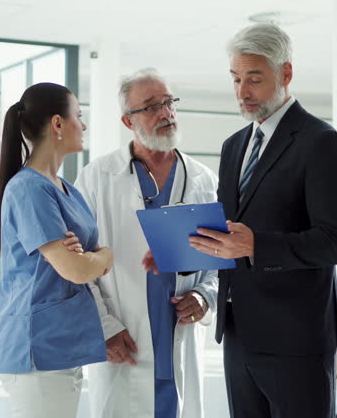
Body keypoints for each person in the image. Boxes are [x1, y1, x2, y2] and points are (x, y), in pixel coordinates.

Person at [188, 24, 337, 417]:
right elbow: (229, 230)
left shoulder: (322, 143)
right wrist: (183, 250)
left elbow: (336, 242)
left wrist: (256, 245)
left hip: (296, 339)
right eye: (235, 79)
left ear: (286, 74)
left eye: (254, 79)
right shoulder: (234, 147)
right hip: (239, 332)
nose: (242, 92)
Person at [75, 68, 219, 418]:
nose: (166, 113)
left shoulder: (203, 179)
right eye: (152, 106)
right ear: (129, 121)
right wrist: (104, 327)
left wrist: (205, 297)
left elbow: (219, 258)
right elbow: (76, 264)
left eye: (169, 102)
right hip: (123, 335)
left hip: (179, 333)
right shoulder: (96, 178)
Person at [0, 82, 114, 418]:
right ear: (58, 123)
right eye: (79, 116)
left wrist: (90, 258)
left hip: (62, 344)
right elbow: (77, 269)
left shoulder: (66, 190)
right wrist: (102, 257)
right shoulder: (29, 189)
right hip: (36, 347)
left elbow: (84, 260)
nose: (84, 125)